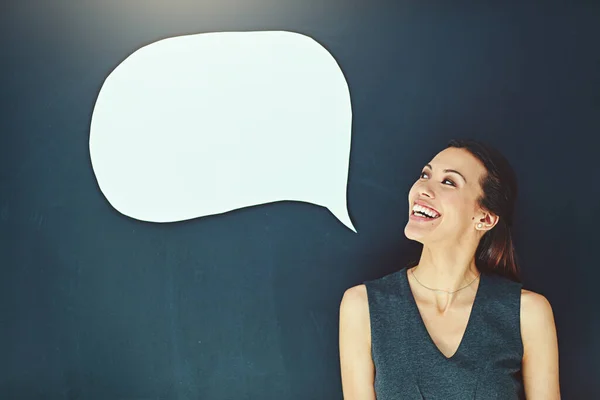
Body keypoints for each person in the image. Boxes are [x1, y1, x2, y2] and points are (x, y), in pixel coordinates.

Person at [339, 138, 560, 399]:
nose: (423, 188)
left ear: (484, 218)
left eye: (448, 182)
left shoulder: (528, 313)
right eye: (425, 174)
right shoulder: (362, 306)